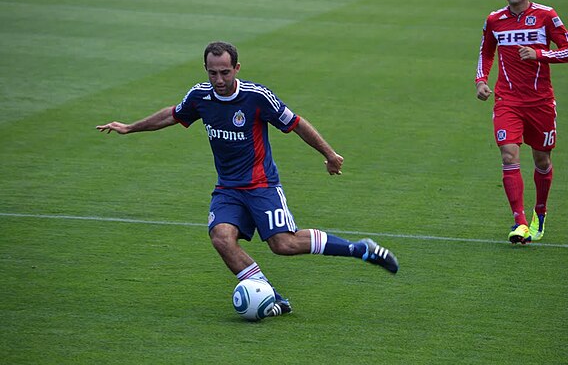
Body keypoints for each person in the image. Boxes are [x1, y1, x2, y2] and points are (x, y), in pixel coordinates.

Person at [97, 41, 399, 316]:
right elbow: (171, 115)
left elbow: (295, 123)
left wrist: (330, 155)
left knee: (283, 244)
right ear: (206, 69)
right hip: (228, 188)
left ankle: (361, 249)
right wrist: (130, 127)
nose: (218, 80)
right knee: (221, 238)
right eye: (213, 73)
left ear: (236, 68)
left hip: (261, 185)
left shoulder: (256, 97)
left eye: (225, 72)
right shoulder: (200, 96)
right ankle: (271, 295)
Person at [475, 0, 568, 244]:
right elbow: (486, 52)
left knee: (542, 159)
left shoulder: (546, 16)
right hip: (507, 100)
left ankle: (540, 213)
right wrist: (481, 80)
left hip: (541, 103)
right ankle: (519, 222)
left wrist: (539, 54)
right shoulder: (495, 20)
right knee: (509, 155)